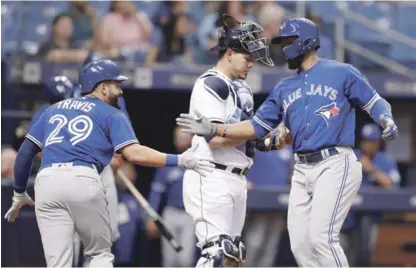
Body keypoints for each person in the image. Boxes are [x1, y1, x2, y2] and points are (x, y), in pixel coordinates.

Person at [176, 17, 399, 267]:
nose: (283, 48)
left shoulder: (341, 72)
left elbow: (374, 101)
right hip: (301, 169)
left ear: (306, 41)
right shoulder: (284, 87)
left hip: (334, 161)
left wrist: (386, 118)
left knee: (321, 238)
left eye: (288, 41)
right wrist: (223, 130)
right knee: (300, 245)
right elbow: (256, 128)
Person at [4, 59, 214, 267]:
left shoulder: (52, 110)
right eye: (116, 85)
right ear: (102, 88)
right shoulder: (111, 113)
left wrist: (19, 193)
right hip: (82, 179)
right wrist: (180, 160)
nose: (121, 91)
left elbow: (25, 153)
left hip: (47, 183)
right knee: (99, 255)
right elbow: (135, 154)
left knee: (58, 262)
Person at [181, 14, 274, 268]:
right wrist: (256, 132)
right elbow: (215, 139)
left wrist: (269, 142)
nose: (251, 64)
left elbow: (243, 138)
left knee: (234, 256)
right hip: (210, 174)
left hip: (237, 177)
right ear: (230, 53)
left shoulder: (242, 89)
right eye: (247, 57)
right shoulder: (211, 84)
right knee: (216, 253)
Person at [341, 123, 401, 266]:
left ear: (378, 143)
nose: (368, 145)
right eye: (365, 141)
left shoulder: (385, 160)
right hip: (346, 215)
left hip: (372, 216)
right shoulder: (350, 156)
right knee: (342, 254)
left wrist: (371, 170)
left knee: (365, 253)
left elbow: (392, 185)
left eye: (372, 141)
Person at [146, 126, 195, 267]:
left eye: (184, 137)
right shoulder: (167, 163)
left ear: (191, 139)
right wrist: (151, 217)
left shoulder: (200, 163)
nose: (181, 141)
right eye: (178, 138)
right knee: (169, 260)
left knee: (185, 260)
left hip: (190, 215)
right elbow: (156, 192)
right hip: (170, 213)